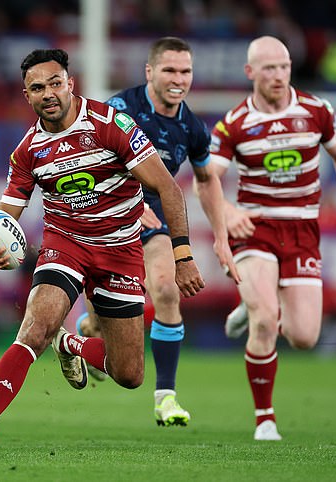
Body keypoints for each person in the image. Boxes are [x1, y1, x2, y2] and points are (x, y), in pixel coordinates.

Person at [0, 48, 205, 457]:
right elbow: (3, 220)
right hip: (64, 245)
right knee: (34, 329)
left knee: (129, 375)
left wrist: (182, 255)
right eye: (38, 88)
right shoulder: (27, 151)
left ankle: (70, 344)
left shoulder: (111, 124)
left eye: (56, 83)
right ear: (27, 96)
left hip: (121, 250)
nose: (49, 93)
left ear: (70, 84)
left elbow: (169, 188)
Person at [73, 36, 240, 427]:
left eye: (186, 71)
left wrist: (220, 236)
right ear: (150, 72)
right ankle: (88, 329)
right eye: (169, 70)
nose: (178, 78)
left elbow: (206, 180)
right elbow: (92, 163)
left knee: (166, 289)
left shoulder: (191, 127)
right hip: (106, 215)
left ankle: (166, 398)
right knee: (102, 326)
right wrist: (133, 202)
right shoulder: (120, 109)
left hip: (155, 219)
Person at [209, 36, 336, 440]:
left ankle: (258, 303)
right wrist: (228, 212)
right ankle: (265, 419)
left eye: (283, 66)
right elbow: (208, 179)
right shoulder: (235, 123)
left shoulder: (317, 110)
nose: (278, 75)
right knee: (266, 321)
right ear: (251, 73)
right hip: (256, 229)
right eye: (268, 68)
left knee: (303, 336)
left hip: (302, 230)